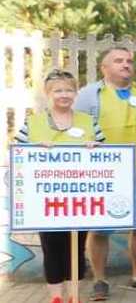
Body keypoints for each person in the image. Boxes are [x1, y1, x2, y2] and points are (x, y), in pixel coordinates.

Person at [76, 46, 136, 299]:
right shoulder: (89, 95)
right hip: (104, 176)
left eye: (129, 60)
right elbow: (76, 131)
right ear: (104, 68)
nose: (126, 64)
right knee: (100, 230)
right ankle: (100, 280)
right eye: (118, 61)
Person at [16, 69, 103, 303]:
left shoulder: (88, 121)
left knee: (76, 246)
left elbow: (107, 156)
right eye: (58, 91)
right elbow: (17, 155)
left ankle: (74, 295)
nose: (64, 95)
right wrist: (34, 149)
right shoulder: (33, 123)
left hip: (80, 196)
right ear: (48, 94)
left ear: (75, 93)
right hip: (46, 198)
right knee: (51, 245)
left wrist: (95, 148)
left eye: (69, 90)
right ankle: (56, 297)